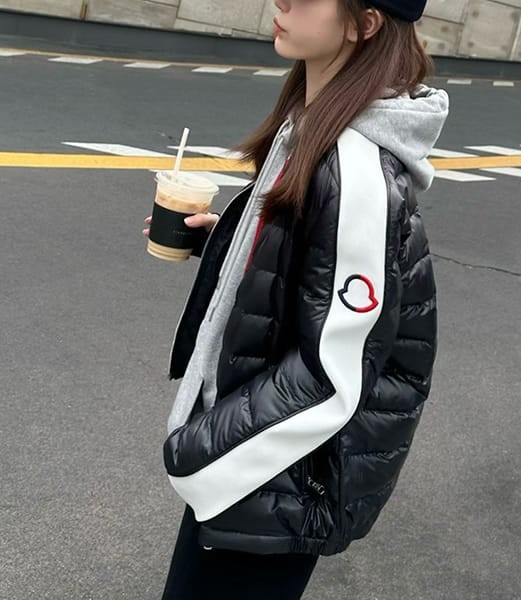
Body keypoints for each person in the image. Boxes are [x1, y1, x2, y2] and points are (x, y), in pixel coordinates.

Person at [143, 0, 449, 597]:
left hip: (279, 478)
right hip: (261, 463)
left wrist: (203, 456)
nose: (282, 1)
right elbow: (313, 276)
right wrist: (227, 244)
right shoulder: (313, 123)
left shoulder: (356, 169)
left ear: (364, 23)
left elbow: (333, 374)